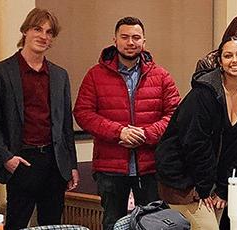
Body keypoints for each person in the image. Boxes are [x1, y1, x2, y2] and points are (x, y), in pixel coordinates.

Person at [73, 16, 181, 230]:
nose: (130, 42)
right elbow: (82, 113)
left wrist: (146, 133)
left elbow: (175, 115)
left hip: (151, 167)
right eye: (125, 37)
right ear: (115, 40)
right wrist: (119, 132)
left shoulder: (161, 76)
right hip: (110, 169)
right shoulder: (95, 75)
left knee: (154, 225)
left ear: (144, 41)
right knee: (113, 225)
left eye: (136, 37)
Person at [0, 8, 79, 230]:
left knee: (52, 226)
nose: (43, 36)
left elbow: (65, 125)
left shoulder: (59, 75)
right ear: (25, 31)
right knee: (16, 224)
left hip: (54, 163)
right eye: (37, 29)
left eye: (49, 32)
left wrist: (71, 165)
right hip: (21, 160)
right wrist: (6, 157)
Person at [156, 37, 237, 230]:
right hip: (184, 181)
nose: (235, 60)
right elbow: (195, 144)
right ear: (220, 62)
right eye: (228, 56)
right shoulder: (203, 94)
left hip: (215, 184)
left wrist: (222, 189)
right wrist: (205, 189)